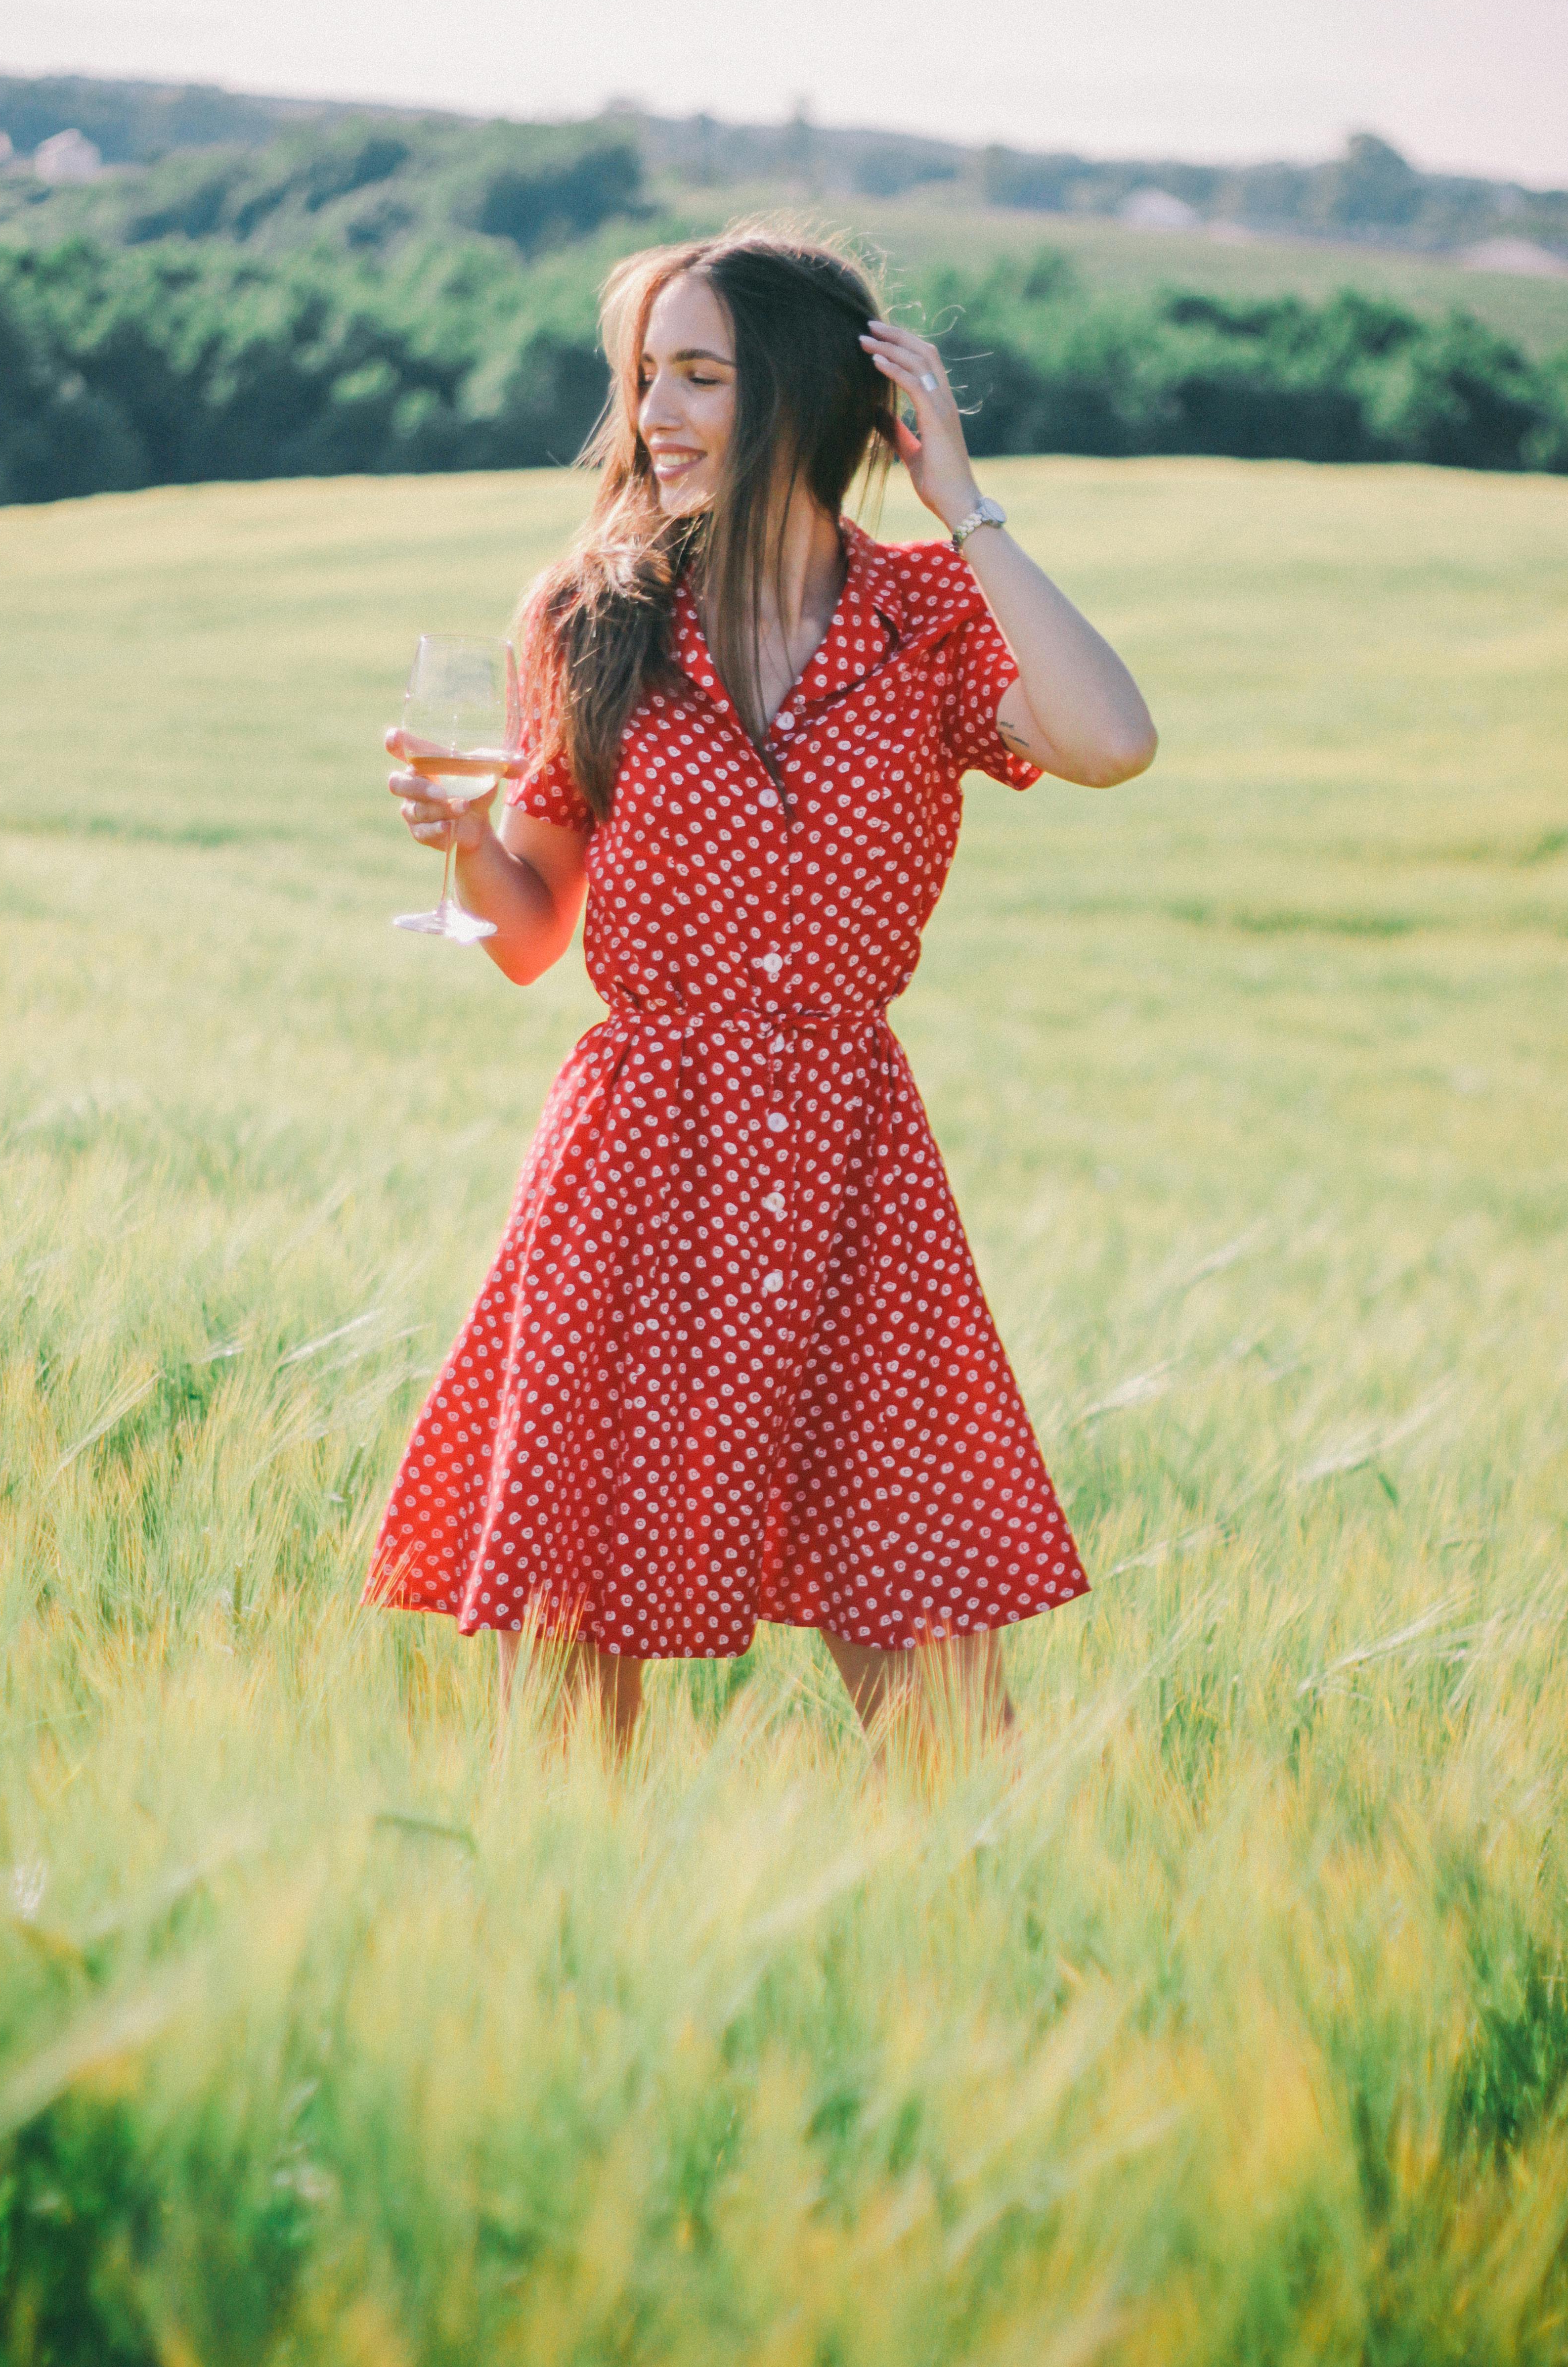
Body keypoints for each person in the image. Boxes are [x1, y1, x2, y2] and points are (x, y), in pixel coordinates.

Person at [363, 228, 1157, 1752]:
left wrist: (967, 505)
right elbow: (527, 937)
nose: (654, 412)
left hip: (852, 1168)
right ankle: (572, 1949)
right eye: (645, 374)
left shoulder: (929, 620)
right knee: (575, 1647)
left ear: (800, 390)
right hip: (638, 1161)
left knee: (942, 1704)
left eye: (701, 375)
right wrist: (464, 840)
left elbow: (1110, 740)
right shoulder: (592, 619)